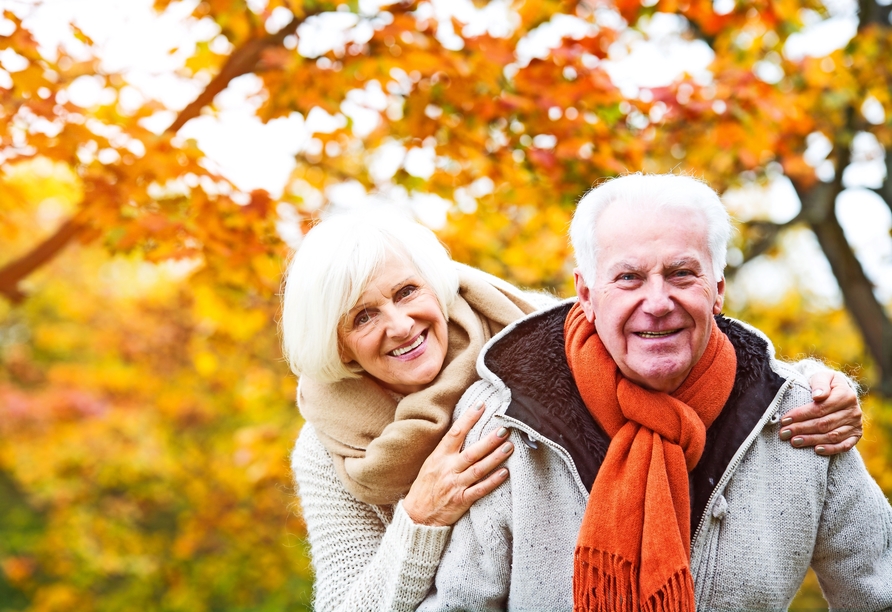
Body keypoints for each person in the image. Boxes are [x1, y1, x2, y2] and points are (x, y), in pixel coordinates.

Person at [282, 210, 862, 612]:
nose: (400, 325)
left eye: (406, 292)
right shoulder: (330, 445)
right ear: (336, 344)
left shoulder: (533, 337)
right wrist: (418, 518)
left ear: (435, 284)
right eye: (364, 317)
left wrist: (812, 381)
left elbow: (664, 337)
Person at [417, 174, 891, 611]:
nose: (658, 303)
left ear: (718, 290)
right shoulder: (504, 423)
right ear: (586, 294)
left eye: (682, 273)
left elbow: (878, 589)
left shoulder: (801, 416)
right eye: (629, 278)